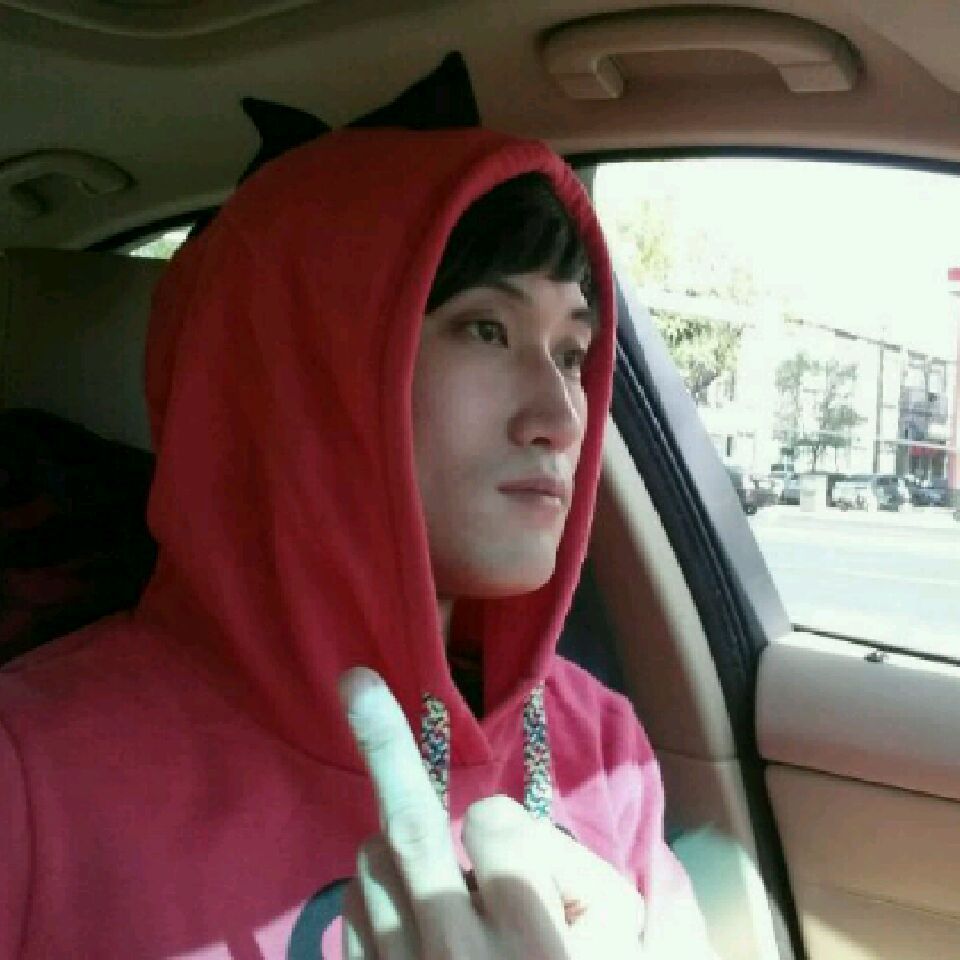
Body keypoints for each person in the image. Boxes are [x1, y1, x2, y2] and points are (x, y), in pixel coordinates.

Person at [0, 127, 716, 958]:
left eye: (572, 352)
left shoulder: (597, 740)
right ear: (307, 371)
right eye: (486, 329)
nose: (559, 417)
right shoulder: (35, 775)